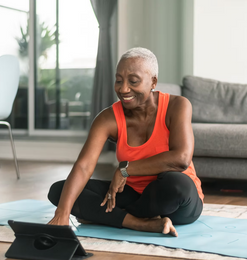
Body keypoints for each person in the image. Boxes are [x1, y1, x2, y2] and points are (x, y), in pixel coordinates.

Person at [48, 47, 204, 237]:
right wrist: (62, 214)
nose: (123, 89)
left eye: (133, 81)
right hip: (132, 194)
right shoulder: (108, 118)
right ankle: (141, 224)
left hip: (175, 200)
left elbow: (181, 158)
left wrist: (125, 169)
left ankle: (109, 217)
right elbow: (84, 166)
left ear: (153, 81)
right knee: (60, 191)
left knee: (176, 183)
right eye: (119, 80)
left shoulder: (177, 105)